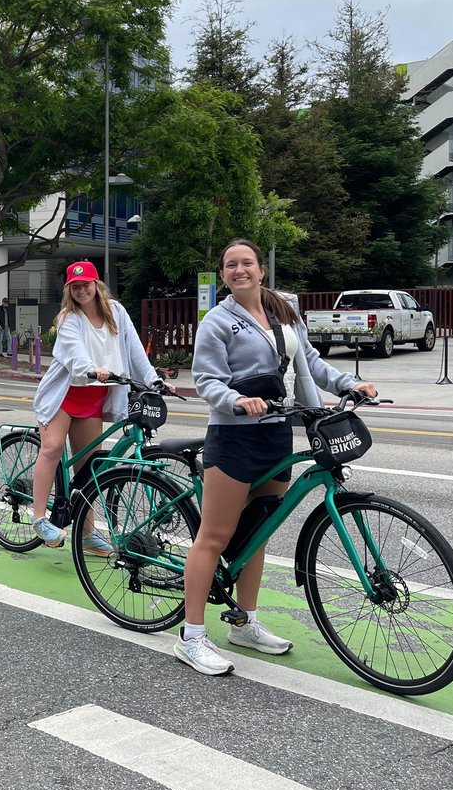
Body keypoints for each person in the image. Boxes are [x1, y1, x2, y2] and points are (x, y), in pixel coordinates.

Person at [179, 238, 377, 676]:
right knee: (214, 537)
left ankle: (244, 623)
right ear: (223, 275)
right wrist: (235, 400)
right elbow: (206, 380)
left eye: (246, 263)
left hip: (277, 432)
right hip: (234, 436)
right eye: (231, 265)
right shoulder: (217, 321)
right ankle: (191, 636)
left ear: (261, 269)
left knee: (258, 533)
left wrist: (349, 383)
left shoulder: (283, 311)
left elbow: (311, 362)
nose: (240, 270)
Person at [29, 260, 165, 553]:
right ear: (69, 290)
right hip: (64, 395)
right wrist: (92, 369)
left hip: (94, 397)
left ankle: (87, 533)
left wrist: (154, 380)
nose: (81, 290)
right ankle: (39, 518)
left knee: (89, 467)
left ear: (96, 284)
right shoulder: (69, 318)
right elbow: (74, 354)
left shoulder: (116, 312)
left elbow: (134, 349)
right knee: (52, 448)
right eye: (75, 286)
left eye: (86, 284)